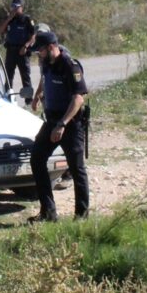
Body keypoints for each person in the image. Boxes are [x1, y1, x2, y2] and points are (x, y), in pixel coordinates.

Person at [29, 31, 90, 222]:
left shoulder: (70, 66)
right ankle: (48, 212)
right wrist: (38, 95)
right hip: (51, 121)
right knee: (37, 159)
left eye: (40, 51)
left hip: (70, 124)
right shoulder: (47, 62)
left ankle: (81, 216)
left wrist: (62, 124)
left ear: (50, 47)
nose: (38, 55)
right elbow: (44, 78)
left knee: (76, 169)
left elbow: (78, 98)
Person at [0, 0, 36, 102]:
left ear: (21, 7)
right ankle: (8, 97)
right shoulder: (9, 19)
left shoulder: (27, 20)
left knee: (25, 76)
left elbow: (33, 36)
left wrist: (26, 46)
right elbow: (0, 31)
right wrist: (8, 19)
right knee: (8, 76)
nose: (14, 9)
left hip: (22, 52)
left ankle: (28, 100)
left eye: (16, 7)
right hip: (11, 51)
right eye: (12, 7)